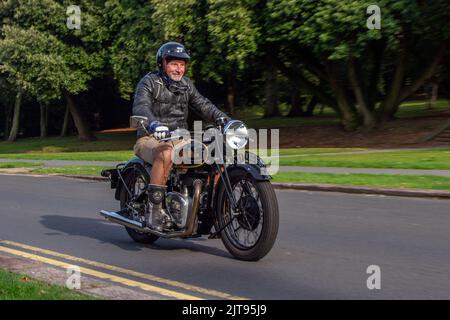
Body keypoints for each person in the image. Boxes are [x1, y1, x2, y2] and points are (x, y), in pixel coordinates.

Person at [132, 41, 230, 230]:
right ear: (163, 63)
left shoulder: (186, 85)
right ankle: (154, 211)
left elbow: (203, 105)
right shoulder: (149, 82)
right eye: (174, 64)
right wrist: (154, 124)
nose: (179, 69)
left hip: (181, 137)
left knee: (218, 153)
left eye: (182, 64)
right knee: (166, 153)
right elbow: (141, 107)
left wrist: (225, 120)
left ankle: (217, 207)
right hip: (150, 137)